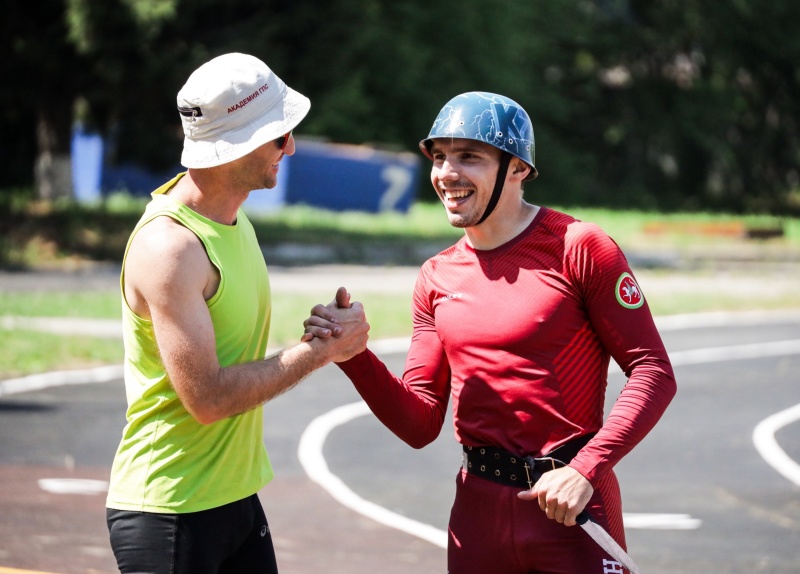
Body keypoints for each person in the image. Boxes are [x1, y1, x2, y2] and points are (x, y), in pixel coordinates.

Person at [305, 91, 677, 573]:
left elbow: (653, 371)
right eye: (439, 157)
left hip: (572, 508)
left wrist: (587, 468)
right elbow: (419, 423)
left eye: (469, 157)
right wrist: (353, 355)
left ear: (518, 168)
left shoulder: (579, 246)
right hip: (477, 518)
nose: (446, 173)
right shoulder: (436, 275)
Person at [105, 53, 368, 574]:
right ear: (234, 147)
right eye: (279, 135)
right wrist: (320, 352)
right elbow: (208, 398)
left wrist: (322, 336)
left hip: (233, 500)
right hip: (170, 511)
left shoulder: (232, 219)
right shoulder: (171, 248)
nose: (290, 146)